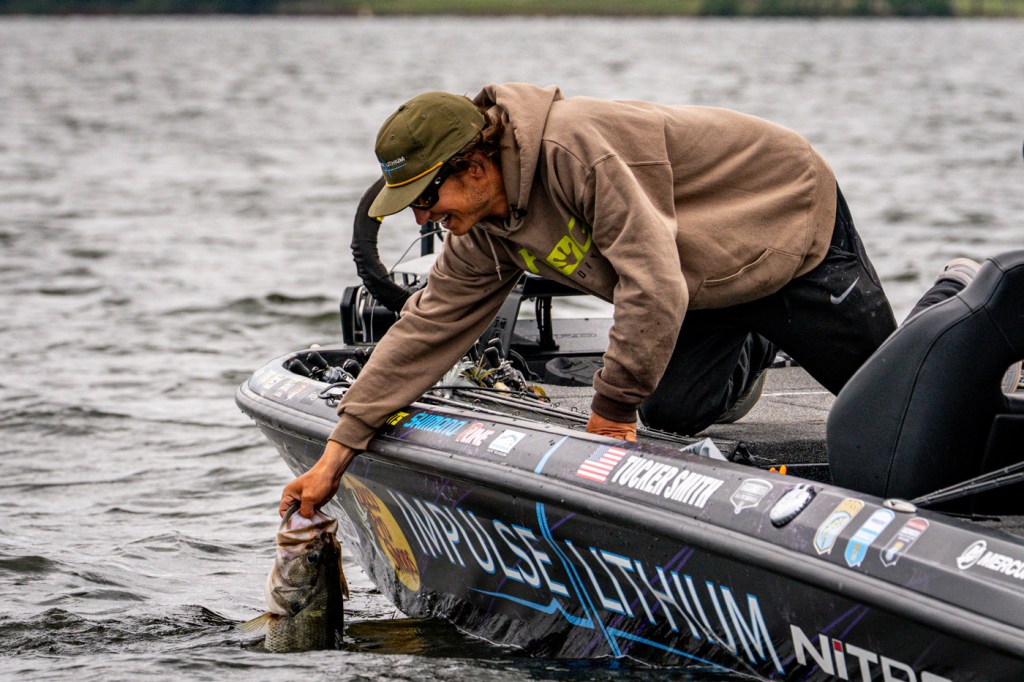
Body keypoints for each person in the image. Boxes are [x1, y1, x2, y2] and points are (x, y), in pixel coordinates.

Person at [280, 83, 897, 518]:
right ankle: (755, 336)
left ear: (472, 166)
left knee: (892, 413)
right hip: (693, 276)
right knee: (671, 414)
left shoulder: (574, 154)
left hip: (786, 224)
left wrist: (608, 414)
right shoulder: (486, 228)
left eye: (424, 198)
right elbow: (427, 328)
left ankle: (899, 306)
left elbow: (651, 285)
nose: (422, 218)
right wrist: (336, 456)